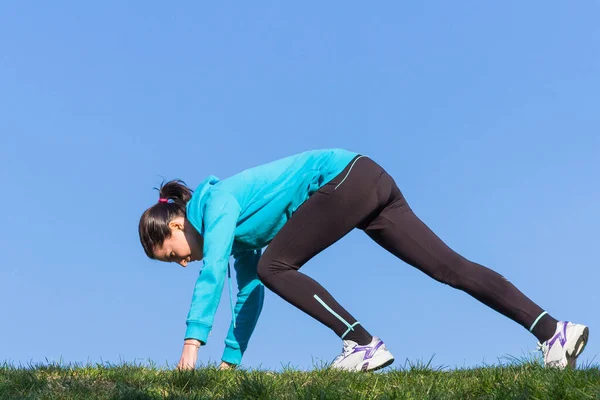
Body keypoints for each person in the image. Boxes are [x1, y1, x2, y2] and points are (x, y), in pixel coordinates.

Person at [138, 148, 589, 372]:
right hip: (366, 176)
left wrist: (191, 346)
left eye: (172, 255)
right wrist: (228, 366)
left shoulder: (216, 207)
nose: (182, 264)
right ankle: (554, 331)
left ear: (176, 225)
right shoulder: (233, 234)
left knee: (273, 264)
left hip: (345, 179)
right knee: (448, 267)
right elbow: (249, 295)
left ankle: (362, 343)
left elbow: (216, 273)